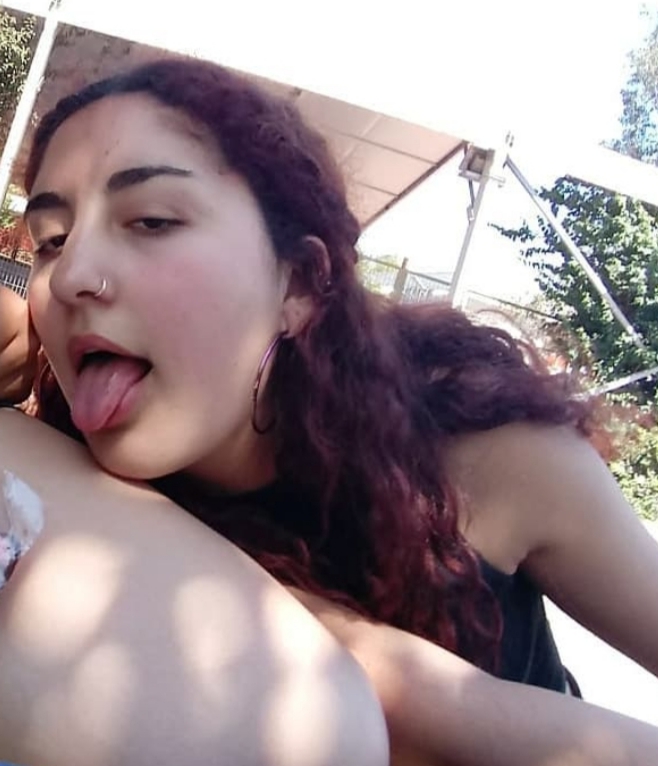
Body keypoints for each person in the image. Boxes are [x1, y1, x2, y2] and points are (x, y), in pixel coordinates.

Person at [1, 55, 658, 764]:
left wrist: (390, 675)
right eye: (52, 241)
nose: (70, 276)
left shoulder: (488, 451)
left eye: (152, 220)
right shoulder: (64, 485)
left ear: (301, 284)